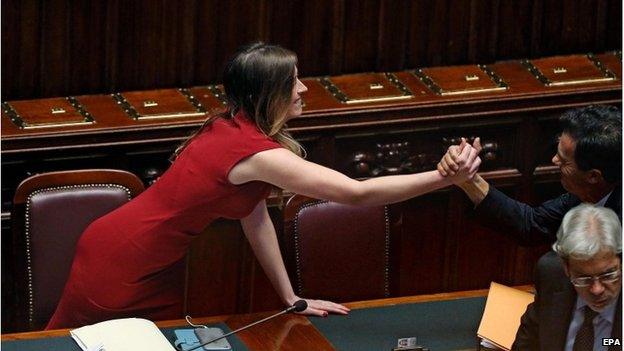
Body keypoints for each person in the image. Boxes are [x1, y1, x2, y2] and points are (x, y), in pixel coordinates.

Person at [46, 42, 481, 329]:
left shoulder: (232, 127)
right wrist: (446, 178)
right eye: (294, 81)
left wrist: (291, 297)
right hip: (123, 267)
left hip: (139, 257)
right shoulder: (255, 155)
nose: (304, 88)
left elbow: (254, 218)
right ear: (269, 93)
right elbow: (356, 193)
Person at [437, 105, 621, 244]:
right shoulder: (584, 194)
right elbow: (531, 224)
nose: (554, 160)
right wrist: (469, 179)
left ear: (593, 177)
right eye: (558, 152)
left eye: (564, 161)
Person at [513, 204, 622, 351]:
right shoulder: (552, 274)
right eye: (583, 279)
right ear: (566, 268)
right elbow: (526, 345)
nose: (596, 290)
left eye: (608, 275)